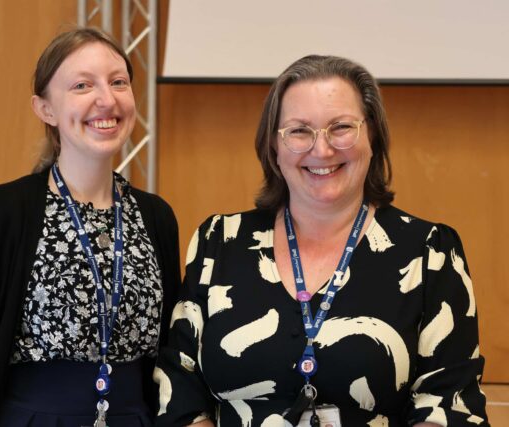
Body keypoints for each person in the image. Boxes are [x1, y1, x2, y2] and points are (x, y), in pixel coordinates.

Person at [154, 55, 488, 426]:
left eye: (341, 127)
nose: (322, 149)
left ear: (372, 135)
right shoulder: (220, 242)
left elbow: (450, 405)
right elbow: (179, 389)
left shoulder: (430, 251)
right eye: (299, 131)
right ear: (274, 147)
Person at [0, 27, 180, 427]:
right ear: (45, 109)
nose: (106, 99)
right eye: (82, 85)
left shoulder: (155, 216)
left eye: (118, 82)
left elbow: (169, 346)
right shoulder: (2, 213)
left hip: (134, 417)